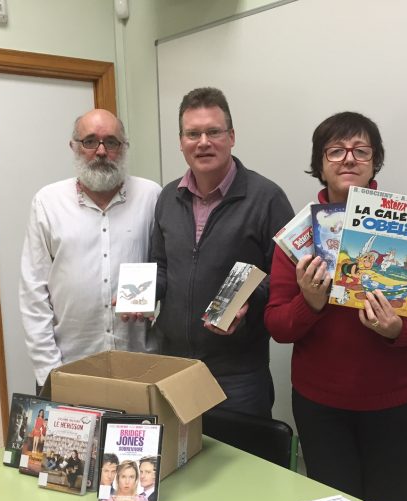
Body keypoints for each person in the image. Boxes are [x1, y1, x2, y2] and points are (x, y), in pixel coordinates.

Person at [264, 111, 407, 501]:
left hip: (400, 406)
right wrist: (310, 304)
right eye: (335, 151)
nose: (348, 159)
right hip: (322, 409)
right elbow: (278, 326)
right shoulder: (299, 235)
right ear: (320, 164)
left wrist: (401, 330)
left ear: (375, 161)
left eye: (361, 151)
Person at [151, 87, 294, 417]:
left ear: (231, 136)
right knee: (181, 462)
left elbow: (288, 278)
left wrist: (249, 299)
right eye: (193, 133)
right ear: (181, 141)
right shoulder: (168, 197)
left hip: (238, 373)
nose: (203, 142)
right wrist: (137, 296)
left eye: (213, 131)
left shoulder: (266, 197)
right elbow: (159, 265)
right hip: (174, 367)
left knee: (241, 463)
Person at [20, 108, 162, 389]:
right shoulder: (48, 203)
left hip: (140, 366)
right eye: (89, 141)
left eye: (111, 142)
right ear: (73, 146)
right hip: (70, 366)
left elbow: (168, 269)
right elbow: (33, 292)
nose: (100, 151)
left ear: (124, 147)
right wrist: (50, 372)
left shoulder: (152, 196)